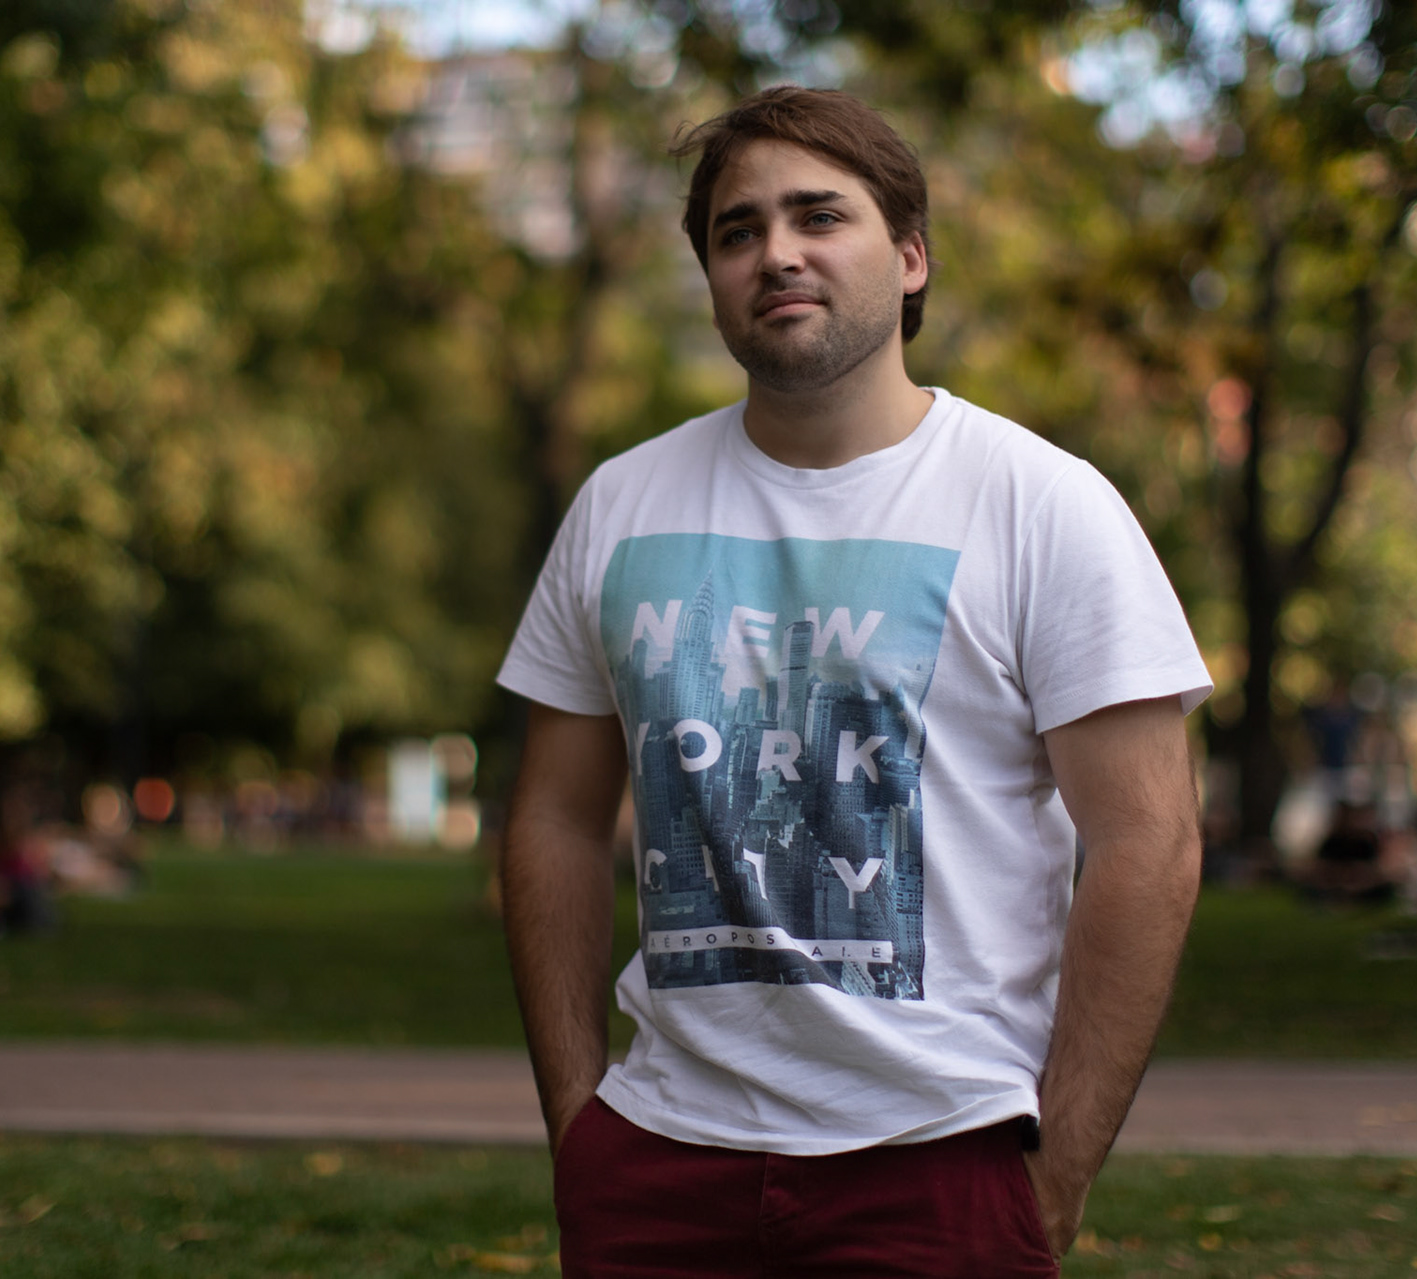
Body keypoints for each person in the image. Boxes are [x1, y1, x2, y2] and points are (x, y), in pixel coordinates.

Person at [497, 86, 1213, 1277]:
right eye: (737, 230)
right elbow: (556, 819)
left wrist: (1060, 1168)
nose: (777, 251)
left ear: (912, 256)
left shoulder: (1042, 506)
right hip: (659, 1161)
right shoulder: (622, 504)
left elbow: (1151, 844)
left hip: (938, 1158)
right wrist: (581, 1123)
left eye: (819, 215)